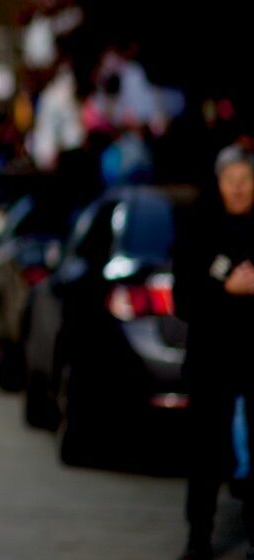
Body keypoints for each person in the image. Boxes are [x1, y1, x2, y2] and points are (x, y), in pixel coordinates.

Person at [175, 143, 254, 560]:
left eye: (246, 181)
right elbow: (183, 299)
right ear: (219, 183)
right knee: (205, 456)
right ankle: (198, 538)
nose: (239, 189)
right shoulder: (199, 230)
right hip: (212, 362)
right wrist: (226, 289)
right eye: (231, 181)